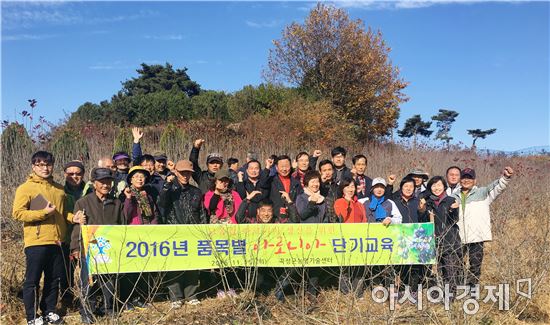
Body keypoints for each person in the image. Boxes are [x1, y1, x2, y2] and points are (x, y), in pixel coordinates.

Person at [12, 151, 84, 325]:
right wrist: (42, 213)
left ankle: (49, 311)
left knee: (54, 279)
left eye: (48, 164)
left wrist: (71, 218)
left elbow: (61, 212)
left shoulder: (59, 188)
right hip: (36, 241)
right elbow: (18, 213)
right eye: (40, 165)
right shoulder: (25, 188)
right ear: (33, 166)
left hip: (57, 241)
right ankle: (32, 316)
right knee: (33, 280)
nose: (45, 168)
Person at [70, 168, 124, 324]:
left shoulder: (117, 203)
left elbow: (122, 225)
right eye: (102, 182)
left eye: (108, 182)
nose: (106, 185)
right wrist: (76, 248)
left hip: (109, 248)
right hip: (89, 249)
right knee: (88, 281)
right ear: (94, 183)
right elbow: (77, 228)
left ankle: (109, 308)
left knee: (109, 280)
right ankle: (87, 311)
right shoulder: (83, 202)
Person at [453, 166, 513, 291]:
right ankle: (459, 288)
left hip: (477, 236)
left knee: (475, 264)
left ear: (475, 180)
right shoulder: (454, 196)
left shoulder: (483, 193)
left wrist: (506, 177)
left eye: (469, 178)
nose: (466, 180)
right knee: (457, 264)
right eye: (464, 178)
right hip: (458, 236)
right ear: (460, 180)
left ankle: (472, 289)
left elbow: (498, 187)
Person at [158, 160, 206, 307]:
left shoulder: (196, 191)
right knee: (175, 265)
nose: (185, 176)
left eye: (188, 173)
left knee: (192, 264)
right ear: (176, 172)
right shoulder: (169, 189)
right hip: (174, 232)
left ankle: (191, 294)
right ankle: (176, 297)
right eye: (182, 172)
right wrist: (167, 184)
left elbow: (201, 212)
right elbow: (162, 204)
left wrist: (202, 230)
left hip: (193, 232)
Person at [420, 176, 462, 298]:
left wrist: (454, 210)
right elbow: (422, 221)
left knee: (450, 270)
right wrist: (422, 209)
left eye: (439, 185)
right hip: (431, 240)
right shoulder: (427, 202)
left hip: (450, 240)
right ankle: (435, 296)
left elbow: (455, 220)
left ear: (444, 186)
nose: (436, 188)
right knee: (433, 270)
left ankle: (450, 297)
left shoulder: (450, 200)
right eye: (433, 186)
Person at [390, 177, 424, 300]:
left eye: (411, 187)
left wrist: (422, 210)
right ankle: (403, 289)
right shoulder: (395, 200)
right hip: (399, 236)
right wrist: (390, 184)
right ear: (401, 188)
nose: (408, 189)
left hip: (415, 237)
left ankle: (413, 290)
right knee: (402, 265)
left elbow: (423, 218)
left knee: (414, 265)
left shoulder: (418, 201)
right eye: (406, 186)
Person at [334, 179, 367, 297]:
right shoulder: (339, 202)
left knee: (359, 267)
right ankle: (345, 293)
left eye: (352, 186)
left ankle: (358, 293)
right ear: (342, 189)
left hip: (359, 240)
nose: (350, 189)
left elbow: (364, 221)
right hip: (345, 239)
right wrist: (347, 203)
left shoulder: (359, 204)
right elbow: (341, 218)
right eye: (347, 186)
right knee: (345, 267)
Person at [60, 160, 87, 310]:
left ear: (83, 174)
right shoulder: (59, 192)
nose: (74, 176)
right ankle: (67, 300)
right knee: (67, 272)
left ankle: (88, 298)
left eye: (78, 173)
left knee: (88, 270)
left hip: (89, 237)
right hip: (67, 237)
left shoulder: (89, 190)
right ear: (65, 174)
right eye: (70, 173)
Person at [262, 155, 303, 222]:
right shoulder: (271, 181)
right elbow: (262, 184)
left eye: (287, 166)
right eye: (282, 166)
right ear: (276, 168)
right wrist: (267, 167)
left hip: (292, 219)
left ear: (291, 166)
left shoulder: (296, 183)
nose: (284, 169)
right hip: (275, 219)